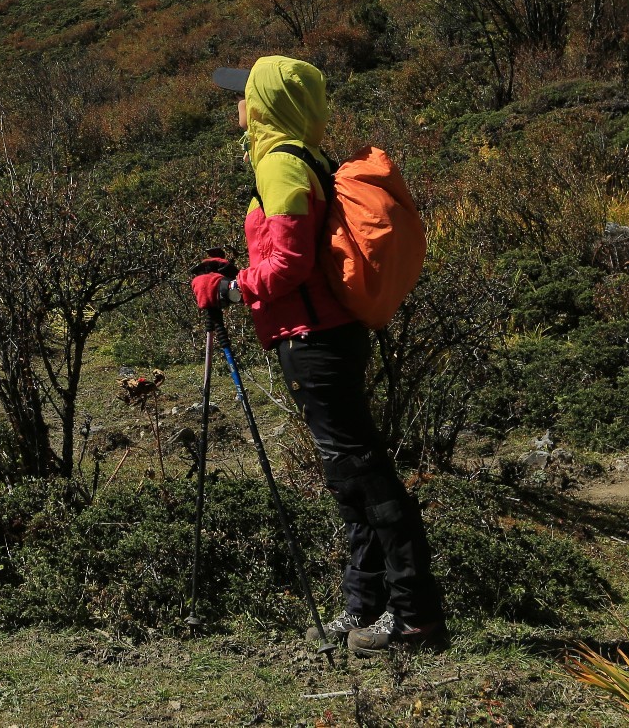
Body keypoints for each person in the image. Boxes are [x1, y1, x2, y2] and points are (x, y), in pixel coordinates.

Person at [190, 55, 447, 654]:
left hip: (315, 340)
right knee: (350, 478)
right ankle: (367, 609)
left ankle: (415, 617)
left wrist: (228, 288)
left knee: (365, 475)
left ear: (266, 106)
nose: (237, 104)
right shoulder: (301, 158)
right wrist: (238, 267)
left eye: (245, 94)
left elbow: (288, 265)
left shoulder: (278, 165)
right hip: (326, 334)